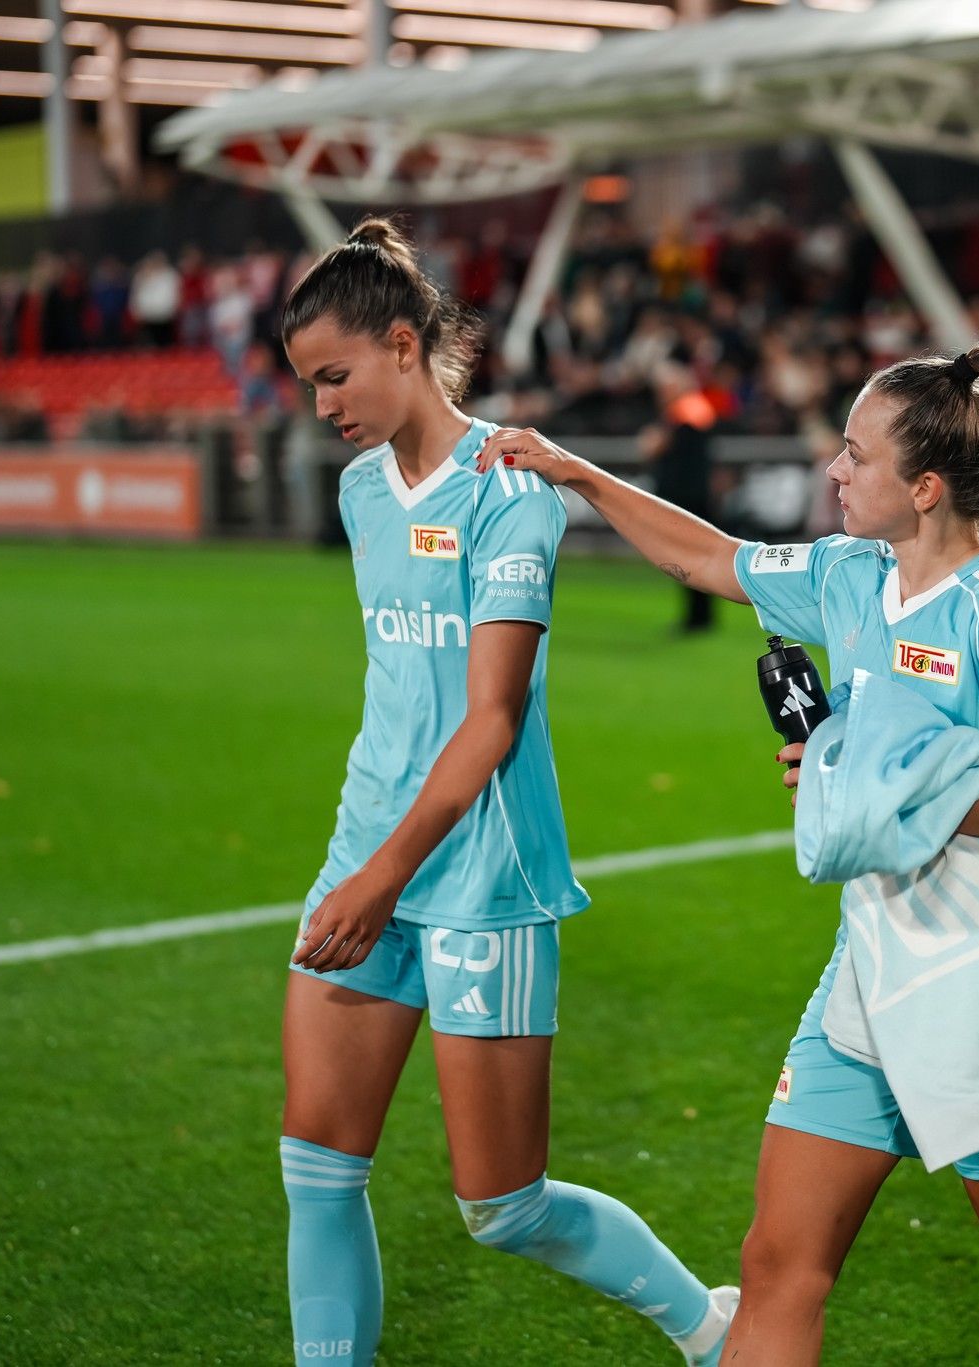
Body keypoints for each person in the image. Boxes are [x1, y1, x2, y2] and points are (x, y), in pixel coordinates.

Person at [476, 341, 979, 1367]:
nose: (833, 472)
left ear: (926, 487)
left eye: (856, 455)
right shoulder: (851, 574)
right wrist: (575, 472)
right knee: (777, 1261)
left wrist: (878, 788)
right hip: (866, 976)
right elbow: (709, 559)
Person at [275, 217, 737, 1367]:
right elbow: (400, 689)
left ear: (400, 344)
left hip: (481, 875)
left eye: (336, 376)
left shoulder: (510, 489)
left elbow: (490, 718)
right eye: (308, 385)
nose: (324, 404)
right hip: (366, 850)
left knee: (503, 1205)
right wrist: (363, 862)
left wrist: (386, 878)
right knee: (317, 1168)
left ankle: (712, 1327)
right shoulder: (359, 493)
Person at [638, 361, 718, 631]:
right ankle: (698, 616)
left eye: (665, 387)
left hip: (690, 498)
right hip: (686, 496)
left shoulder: (688, 410)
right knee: (689, 558)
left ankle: (699, 618)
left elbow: (653, 445)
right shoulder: (684, 411)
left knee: (692, 558)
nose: (661, 393)